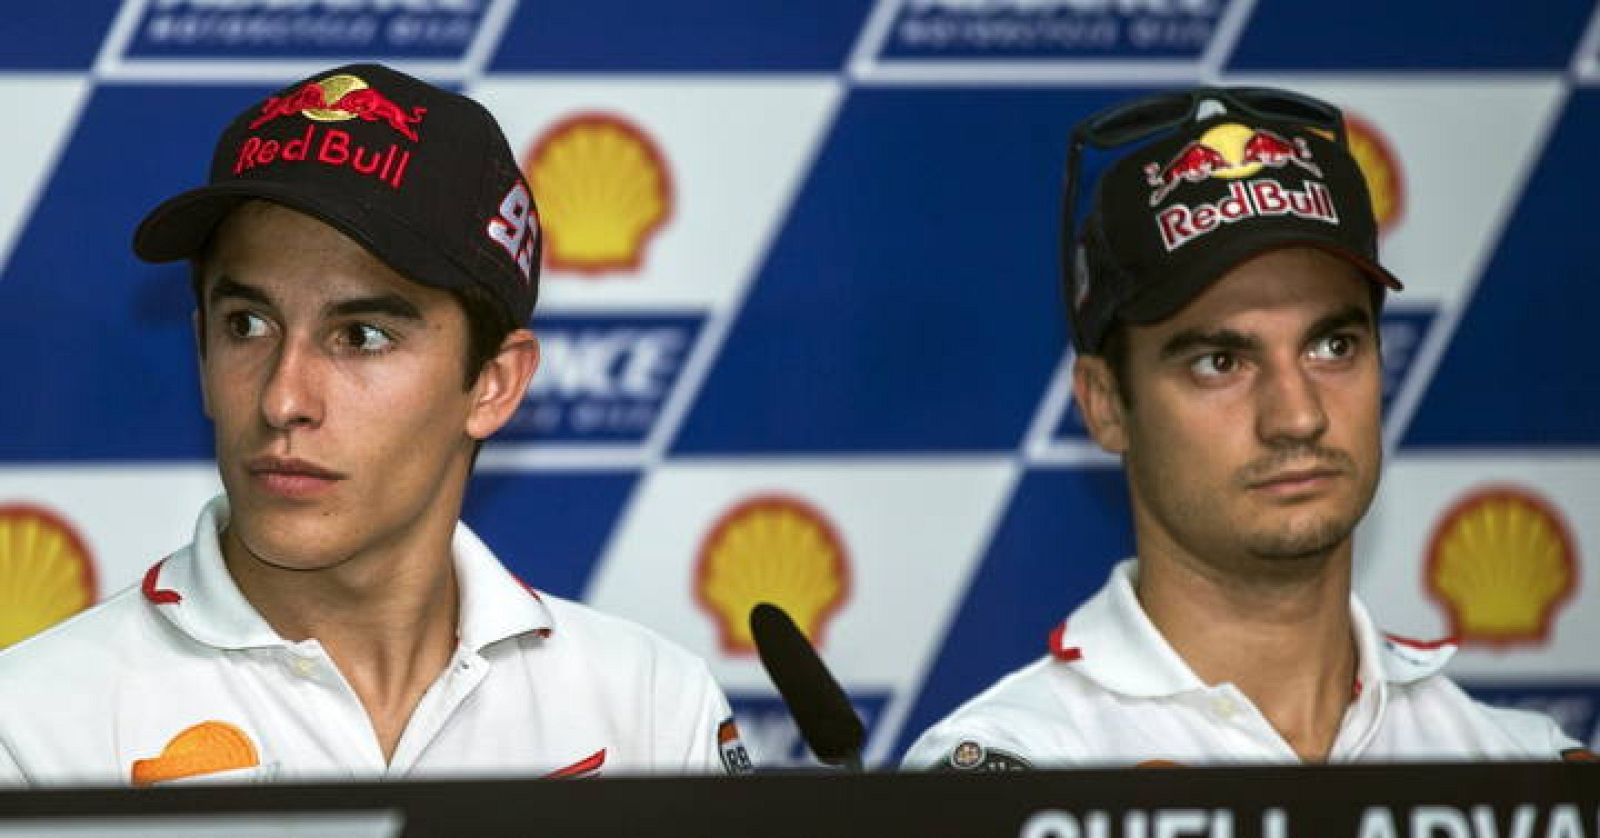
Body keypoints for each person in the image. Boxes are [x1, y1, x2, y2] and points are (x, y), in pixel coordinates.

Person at [0, 64, 751, 785]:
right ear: (200, 349)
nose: (282, 398)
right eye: (248, 324)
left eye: (362, 336)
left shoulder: (652, 712)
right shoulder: (34, 732)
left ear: (494, 383)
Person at [903, 87, 1588, 769]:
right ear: (1105, 403)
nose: (1298, 415)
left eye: (1332, 347)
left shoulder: (1526, 774)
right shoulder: (1016, 778)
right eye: (1220, 361)